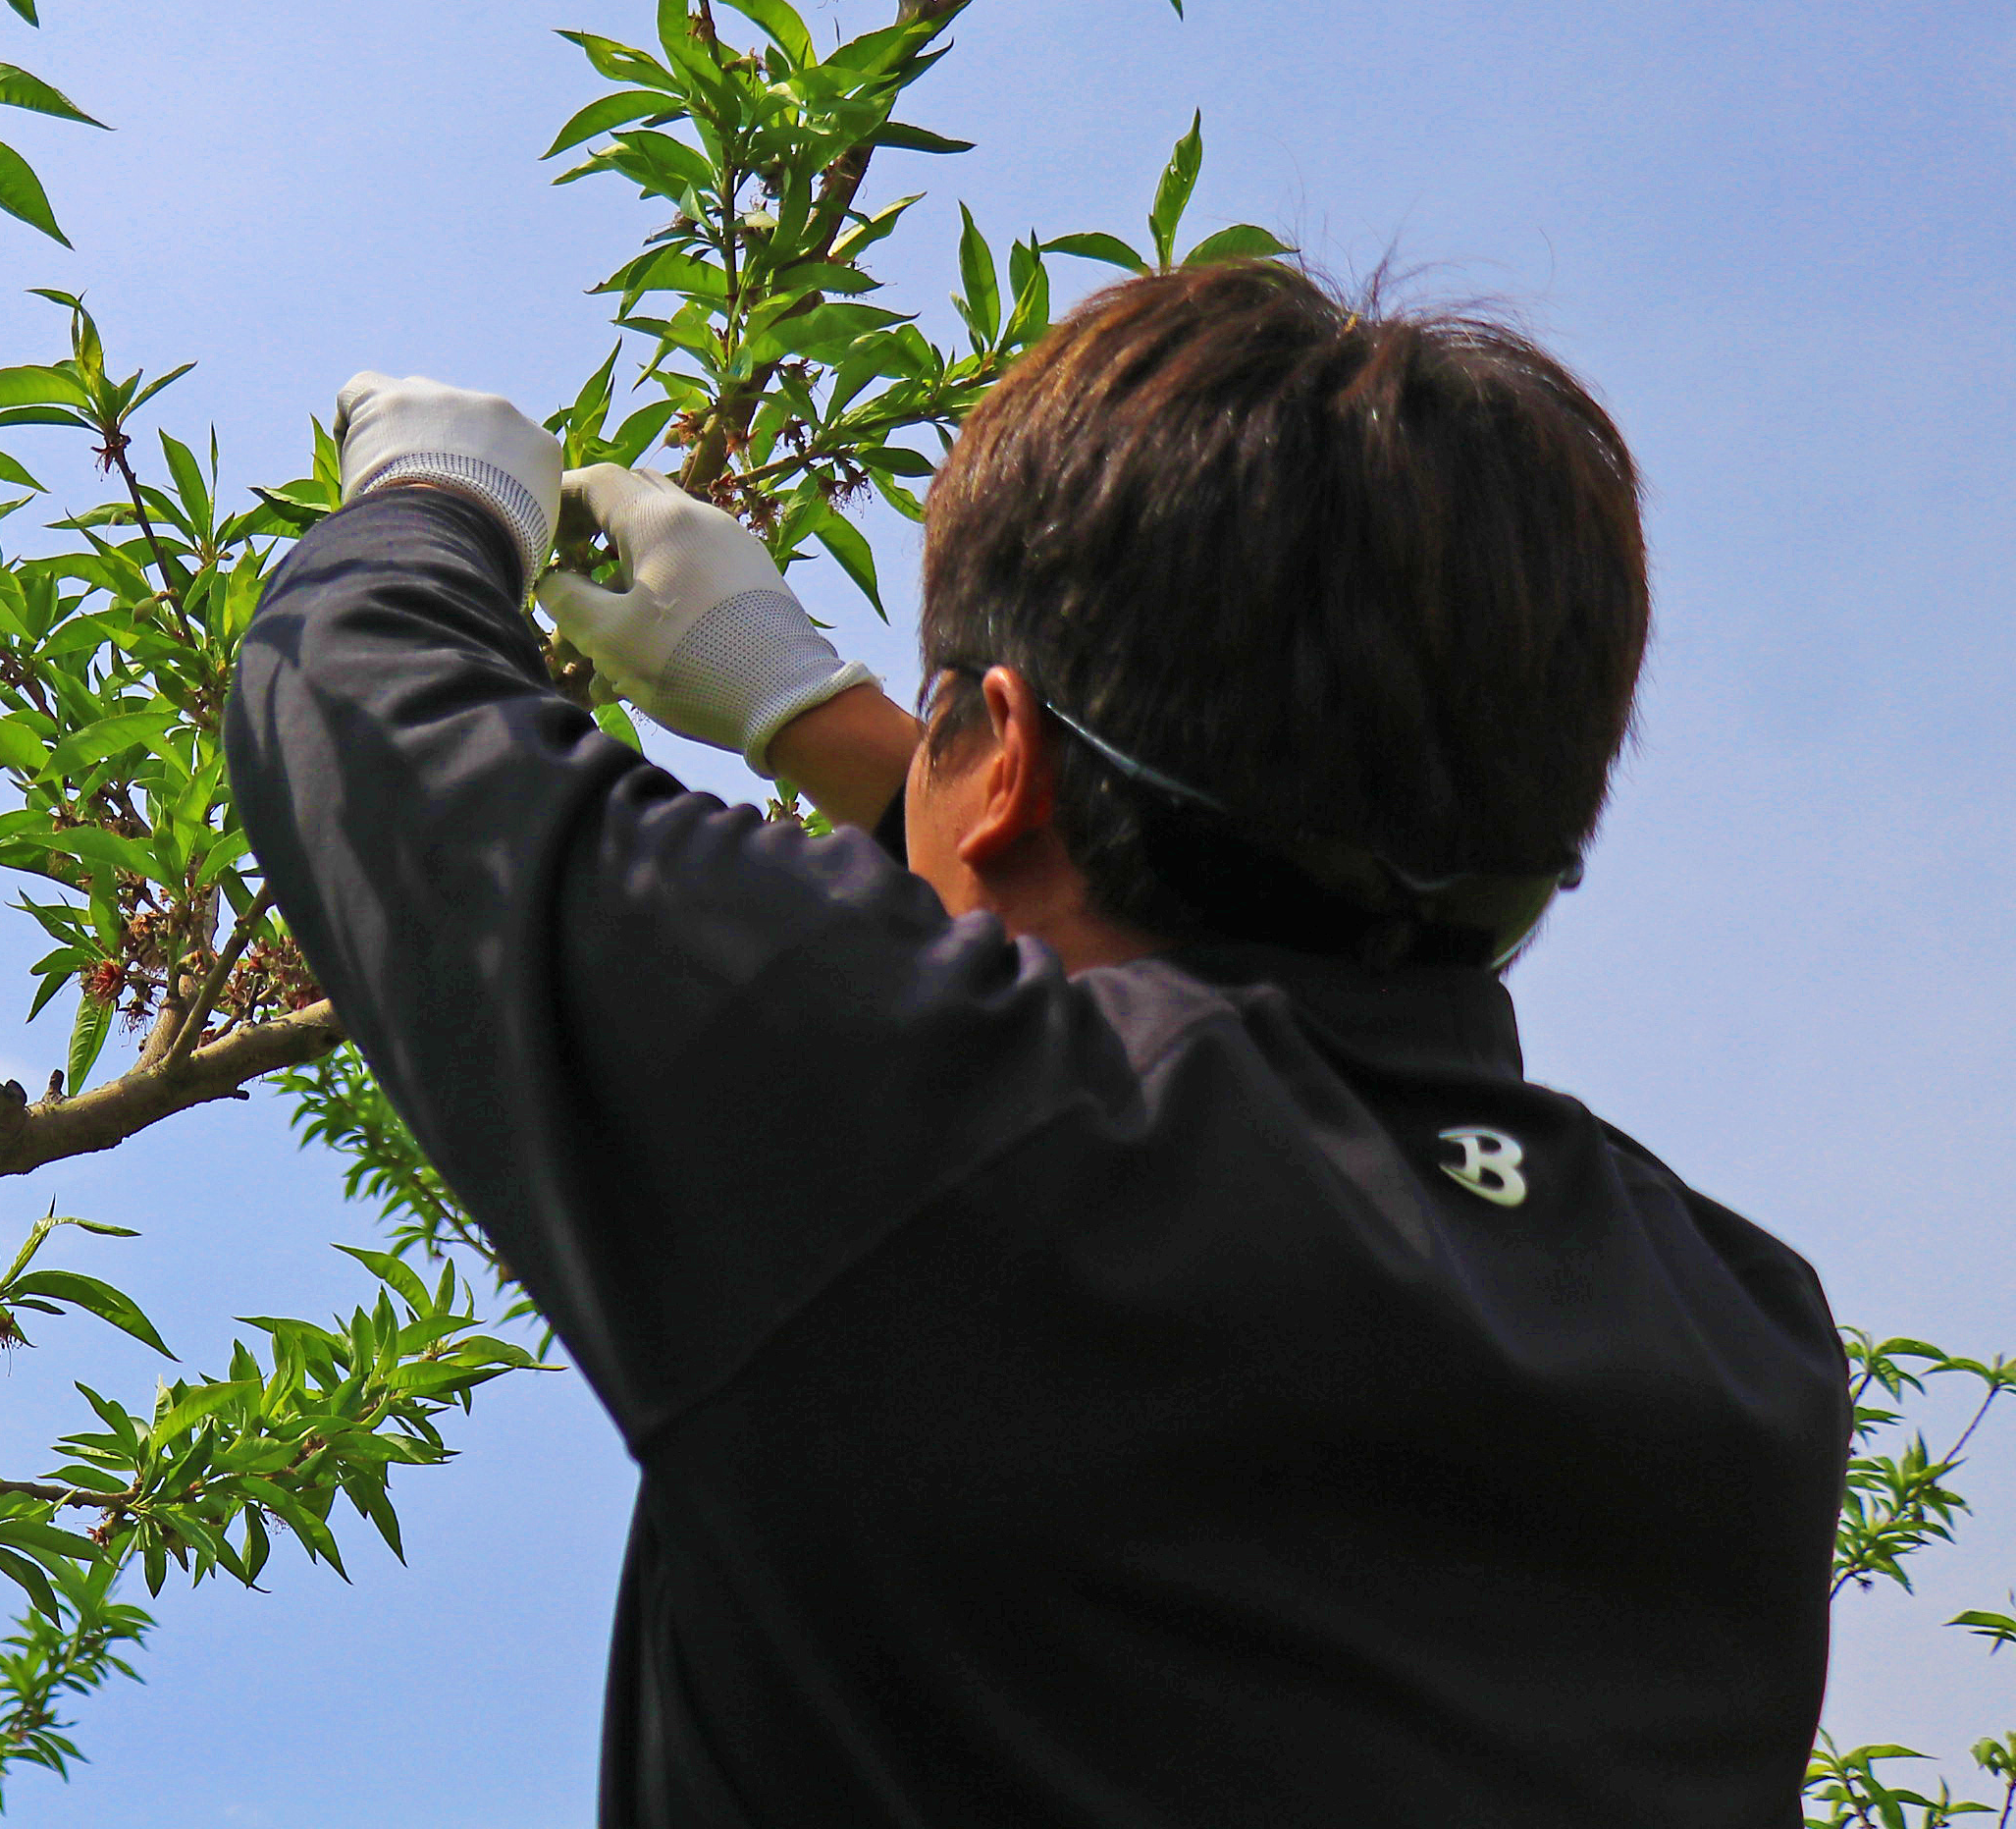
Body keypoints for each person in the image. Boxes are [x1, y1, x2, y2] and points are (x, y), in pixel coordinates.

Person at [225, 263, 1848, 1829]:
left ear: (997, 758)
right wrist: (838, 722)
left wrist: (427, 499)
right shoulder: (1740, 1344)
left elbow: (372, 719)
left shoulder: (960, 1150)